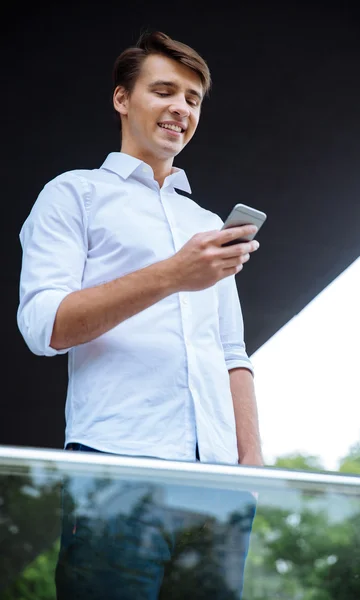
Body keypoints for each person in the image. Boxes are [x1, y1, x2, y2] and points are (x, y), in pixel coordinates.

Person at [17, 30, 263, 599]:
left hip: (219, 489)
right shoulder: (72, 195)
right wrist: (174, 274)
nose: (181, 108)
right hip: (115, 474)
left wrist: (250, 470)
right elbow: (43, 327)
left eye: (193, 98)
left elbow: (232, 354)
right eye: (164, 91)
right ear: (122, 99)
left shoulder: (207, 224)